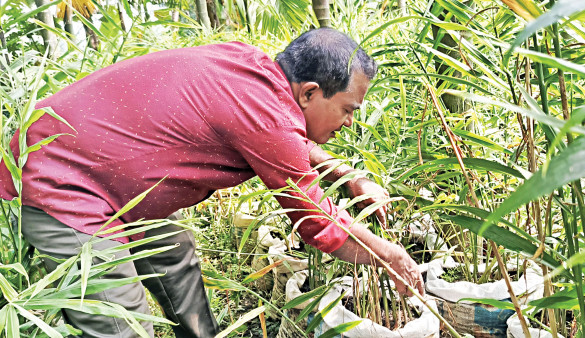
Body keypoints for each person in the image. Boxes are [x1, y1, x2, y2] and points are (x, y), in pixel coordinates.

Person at [0, 28, 424, 337]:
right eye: (348, 109)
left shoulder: (255, 69)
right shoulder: (267, 115)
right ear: (310, 93)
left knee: (174, 250)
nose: (350, 123)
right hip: (59, 179)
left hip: (103, 172)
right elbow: (318, 223)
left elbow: (275, 136)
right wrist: (391, 256)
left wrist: (346, 174)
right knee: (121, 321)